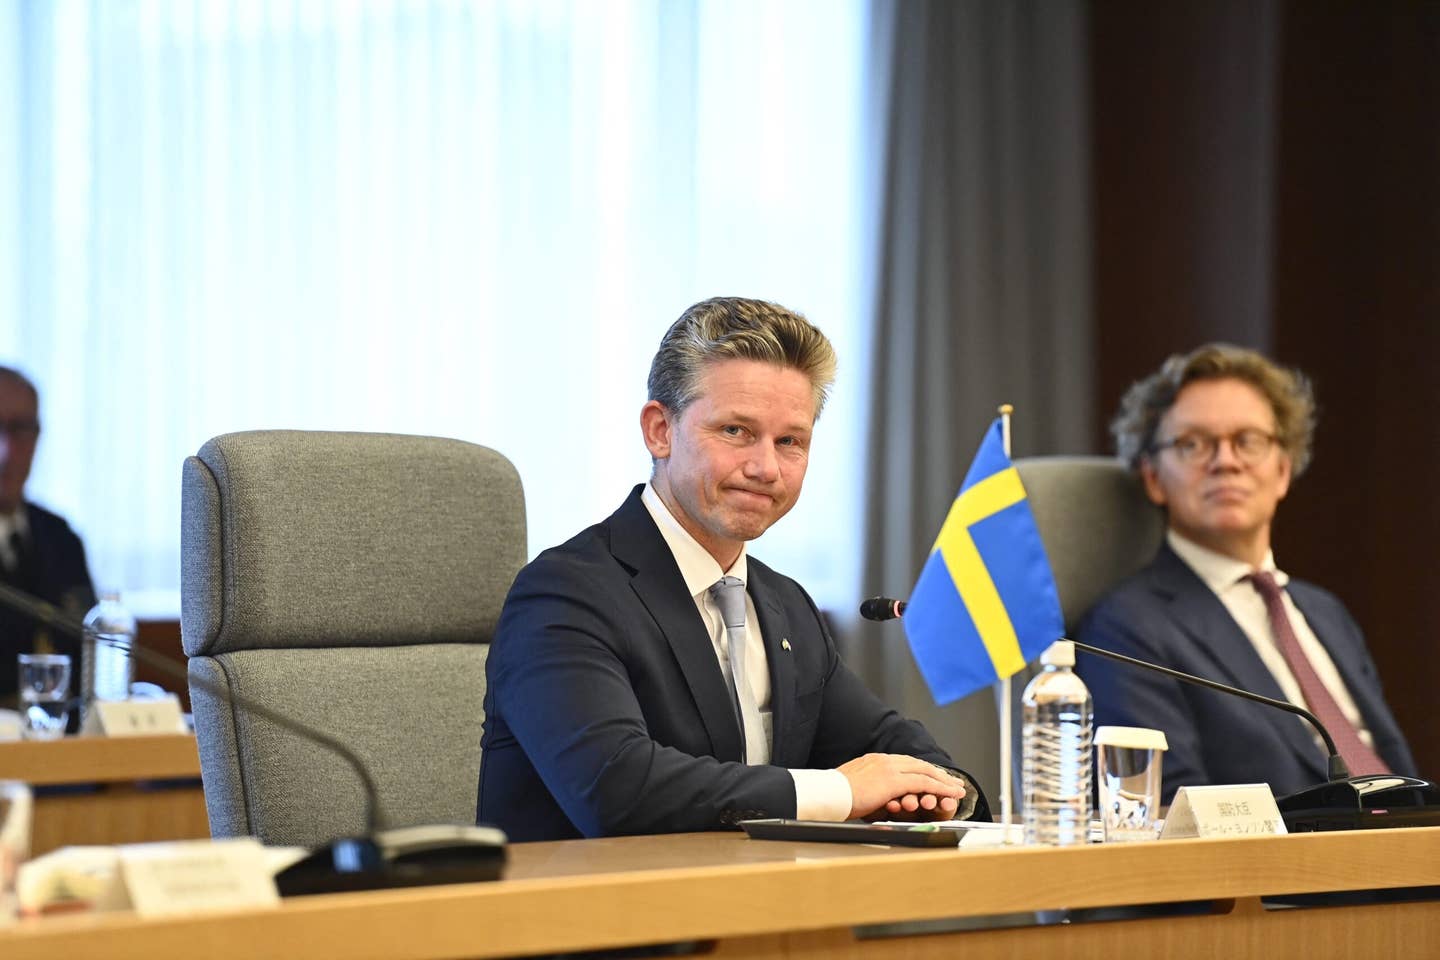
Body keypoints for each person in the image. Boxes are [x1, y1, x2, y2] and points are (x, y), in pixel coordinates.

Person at [478, 297, 990, 841]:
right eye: (736, 432)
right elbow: (615, 790)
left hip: (754, 908)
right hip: (592, 917)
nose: (765, 467)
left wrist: (943, 792)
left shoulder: (785, 604)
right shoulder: (564, 593)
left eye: (789, 441)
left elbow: (888, 745)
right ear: (659, 430)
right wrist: (842, 791)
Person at [1076, 344, 1415, 802]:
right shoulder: (1126, 629)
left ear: (1282, 469)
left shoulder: (1325, 612)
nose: (1226, 461)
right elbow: (1169, 811)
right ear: (1153, 477)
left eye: (1248, 441)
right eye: (1193, 444)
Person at [0, 366, 97, 705]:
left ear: (37, 436)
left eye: (19, 430)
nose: (5, 452)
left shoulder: (61, 540)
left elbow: (89, 664)